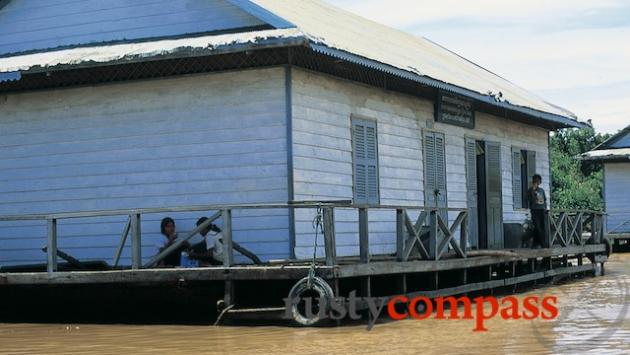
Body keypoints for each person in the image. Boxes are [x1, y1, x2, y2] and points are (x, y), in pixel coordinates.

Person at [527, 174, 548, 248]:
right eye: (536, 181)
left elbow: (544, 200)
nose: (537, 182)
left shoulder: (541, 190)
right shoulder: (530, 190)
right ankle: (543, 244)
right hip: (535, 210)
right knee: (537, 226)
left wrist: (545, 208)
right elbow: (530, 199)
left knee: (542, 227)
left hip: (541, 210)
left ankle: (536, 243)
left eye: (538, 181)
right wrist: (533, 189)